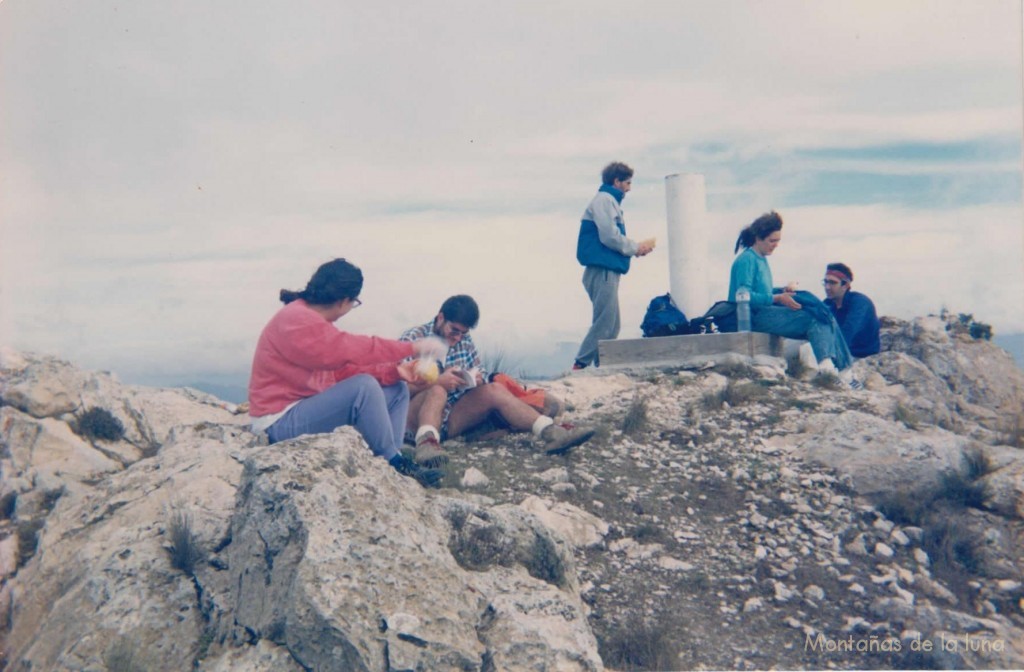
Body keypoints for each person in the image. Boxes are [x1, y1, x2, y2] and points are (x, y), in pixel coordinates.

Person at [248, 258, 449, 487]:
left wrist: (394, 372)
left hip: (302, 408)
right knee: (364, 386)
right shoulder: (297, 320)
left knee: (397, 388)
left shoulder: (309, 319)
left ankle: (393, 458)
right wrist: (411, 348)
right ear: (345, 301)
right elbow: (351, 350)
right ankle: (393, 462)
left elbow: (341, 371)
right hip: (277, 421)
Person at [400, 295, 595, 466]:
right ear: (441, 318)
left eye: (463, 333)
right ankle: (426, 444)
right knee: (437, 391)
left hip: (451, 416)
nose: (458, 338)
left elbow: (481, 373)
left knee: (494, 389)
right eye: (454, 331)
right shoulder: (414, 338)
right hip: (414, 416)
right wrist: (437, 382)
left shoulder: (464, 342)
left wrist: (476, 379)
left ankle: (551, 432)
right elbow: (397, 389)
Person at [728, 212, 852, 373]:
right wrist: (778, 297)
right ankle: (829, 369)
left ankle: (841, 368)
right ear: (758, 238)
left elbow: (760, 291)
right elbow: (743, 295)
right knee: (814, 318)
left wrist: (782, 292)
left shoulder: (760, 258)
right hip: (754, 316)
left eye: (778, 241)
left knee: (821, 313)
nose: (775, 245)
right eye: (772, 241)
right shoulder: (747, 260)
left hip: (763, 311)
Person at [573, 161, 655, 370]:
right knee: (605, 322)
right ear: (616, 181)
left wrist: (634, 248)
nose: (629, 188)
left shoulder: (608, 201)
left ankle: (604, 367)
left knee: (612, 323)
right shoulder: (605, 200)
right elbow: (610, 236)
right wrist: (635, 247)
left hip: (605, 270)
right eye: (627, 183)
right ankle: (580, 365)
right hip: (603, 270)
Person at [822, 262, 880, 358]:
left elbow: (847, 334)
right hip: (838, 352)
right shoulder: (828, 304)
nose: (827, 287)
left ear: (845, 285)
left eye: (832, 283)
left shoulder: (860, 303)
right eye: (826, 282)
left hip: (861, 357)